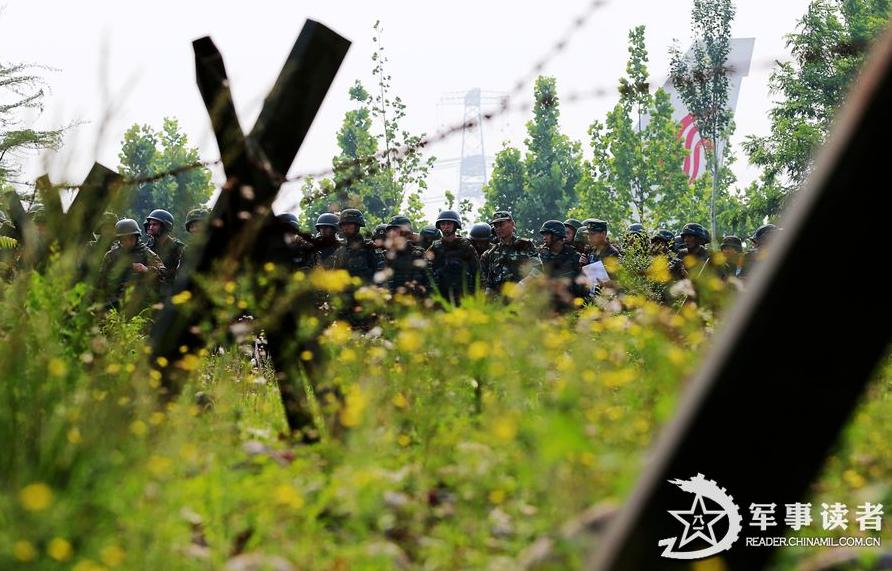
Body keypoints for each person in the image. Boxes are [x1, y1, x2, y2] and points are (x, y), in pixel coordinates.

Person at [98, 218, 165, 312]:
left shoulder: (146, 253)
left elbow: (163, 273)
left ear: (137, 237)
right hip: (114, 302)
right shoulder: (111, 256)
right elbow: (101, 280)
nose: (127, 242)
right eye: (123, 239)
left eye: (131, 238)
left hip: (141, 303)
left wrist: (146, 269)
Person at [479, 211, 541, 296]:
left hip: (521, 301)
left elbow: (538, 268)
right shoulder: (493, 252)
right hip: (500, 303)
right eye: (496, 226)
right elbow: (490, 283)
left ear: (512, 224)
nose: (498, 228)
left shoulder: (525, 245)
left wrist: (522, 285)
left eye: (501, 224)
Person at [427, 209, 479, 304]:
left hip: (463, 296)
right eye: (443, 224)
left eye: (449, 224)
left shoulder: (465, 246)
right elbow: (425, 270)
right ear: (439, 226)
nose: (445, 227)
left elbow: (477, 271)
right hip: (442, 297)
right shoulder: (435, 247)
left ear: (455, 225)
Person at [538, 220, 584, 308]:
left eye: (547, 234)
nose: (544, 238)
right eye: (544, 235)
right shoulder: (541, 256)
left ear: (556, 236)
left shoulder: (575, 257)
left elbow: (587, 286)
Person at [332, 209, 385, 283]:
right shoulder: (340, 250)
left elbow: (379, 275)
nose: (345, 227)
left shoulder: (369, 248)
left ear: (357, 225)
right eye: (343, 224)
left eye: (349, 224)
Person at [384, 215, 428, 296]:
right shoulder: (387, 255)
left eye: (396, 230)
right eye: (392, 230)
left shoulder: (418, 254)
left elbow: (429, 283)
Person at [144, 209, 185, 288]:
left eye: (155, 224)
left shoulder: (178, 248)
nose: (151, 227)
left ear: (165, 226)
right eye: (150, 225)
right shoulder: (148, 247)